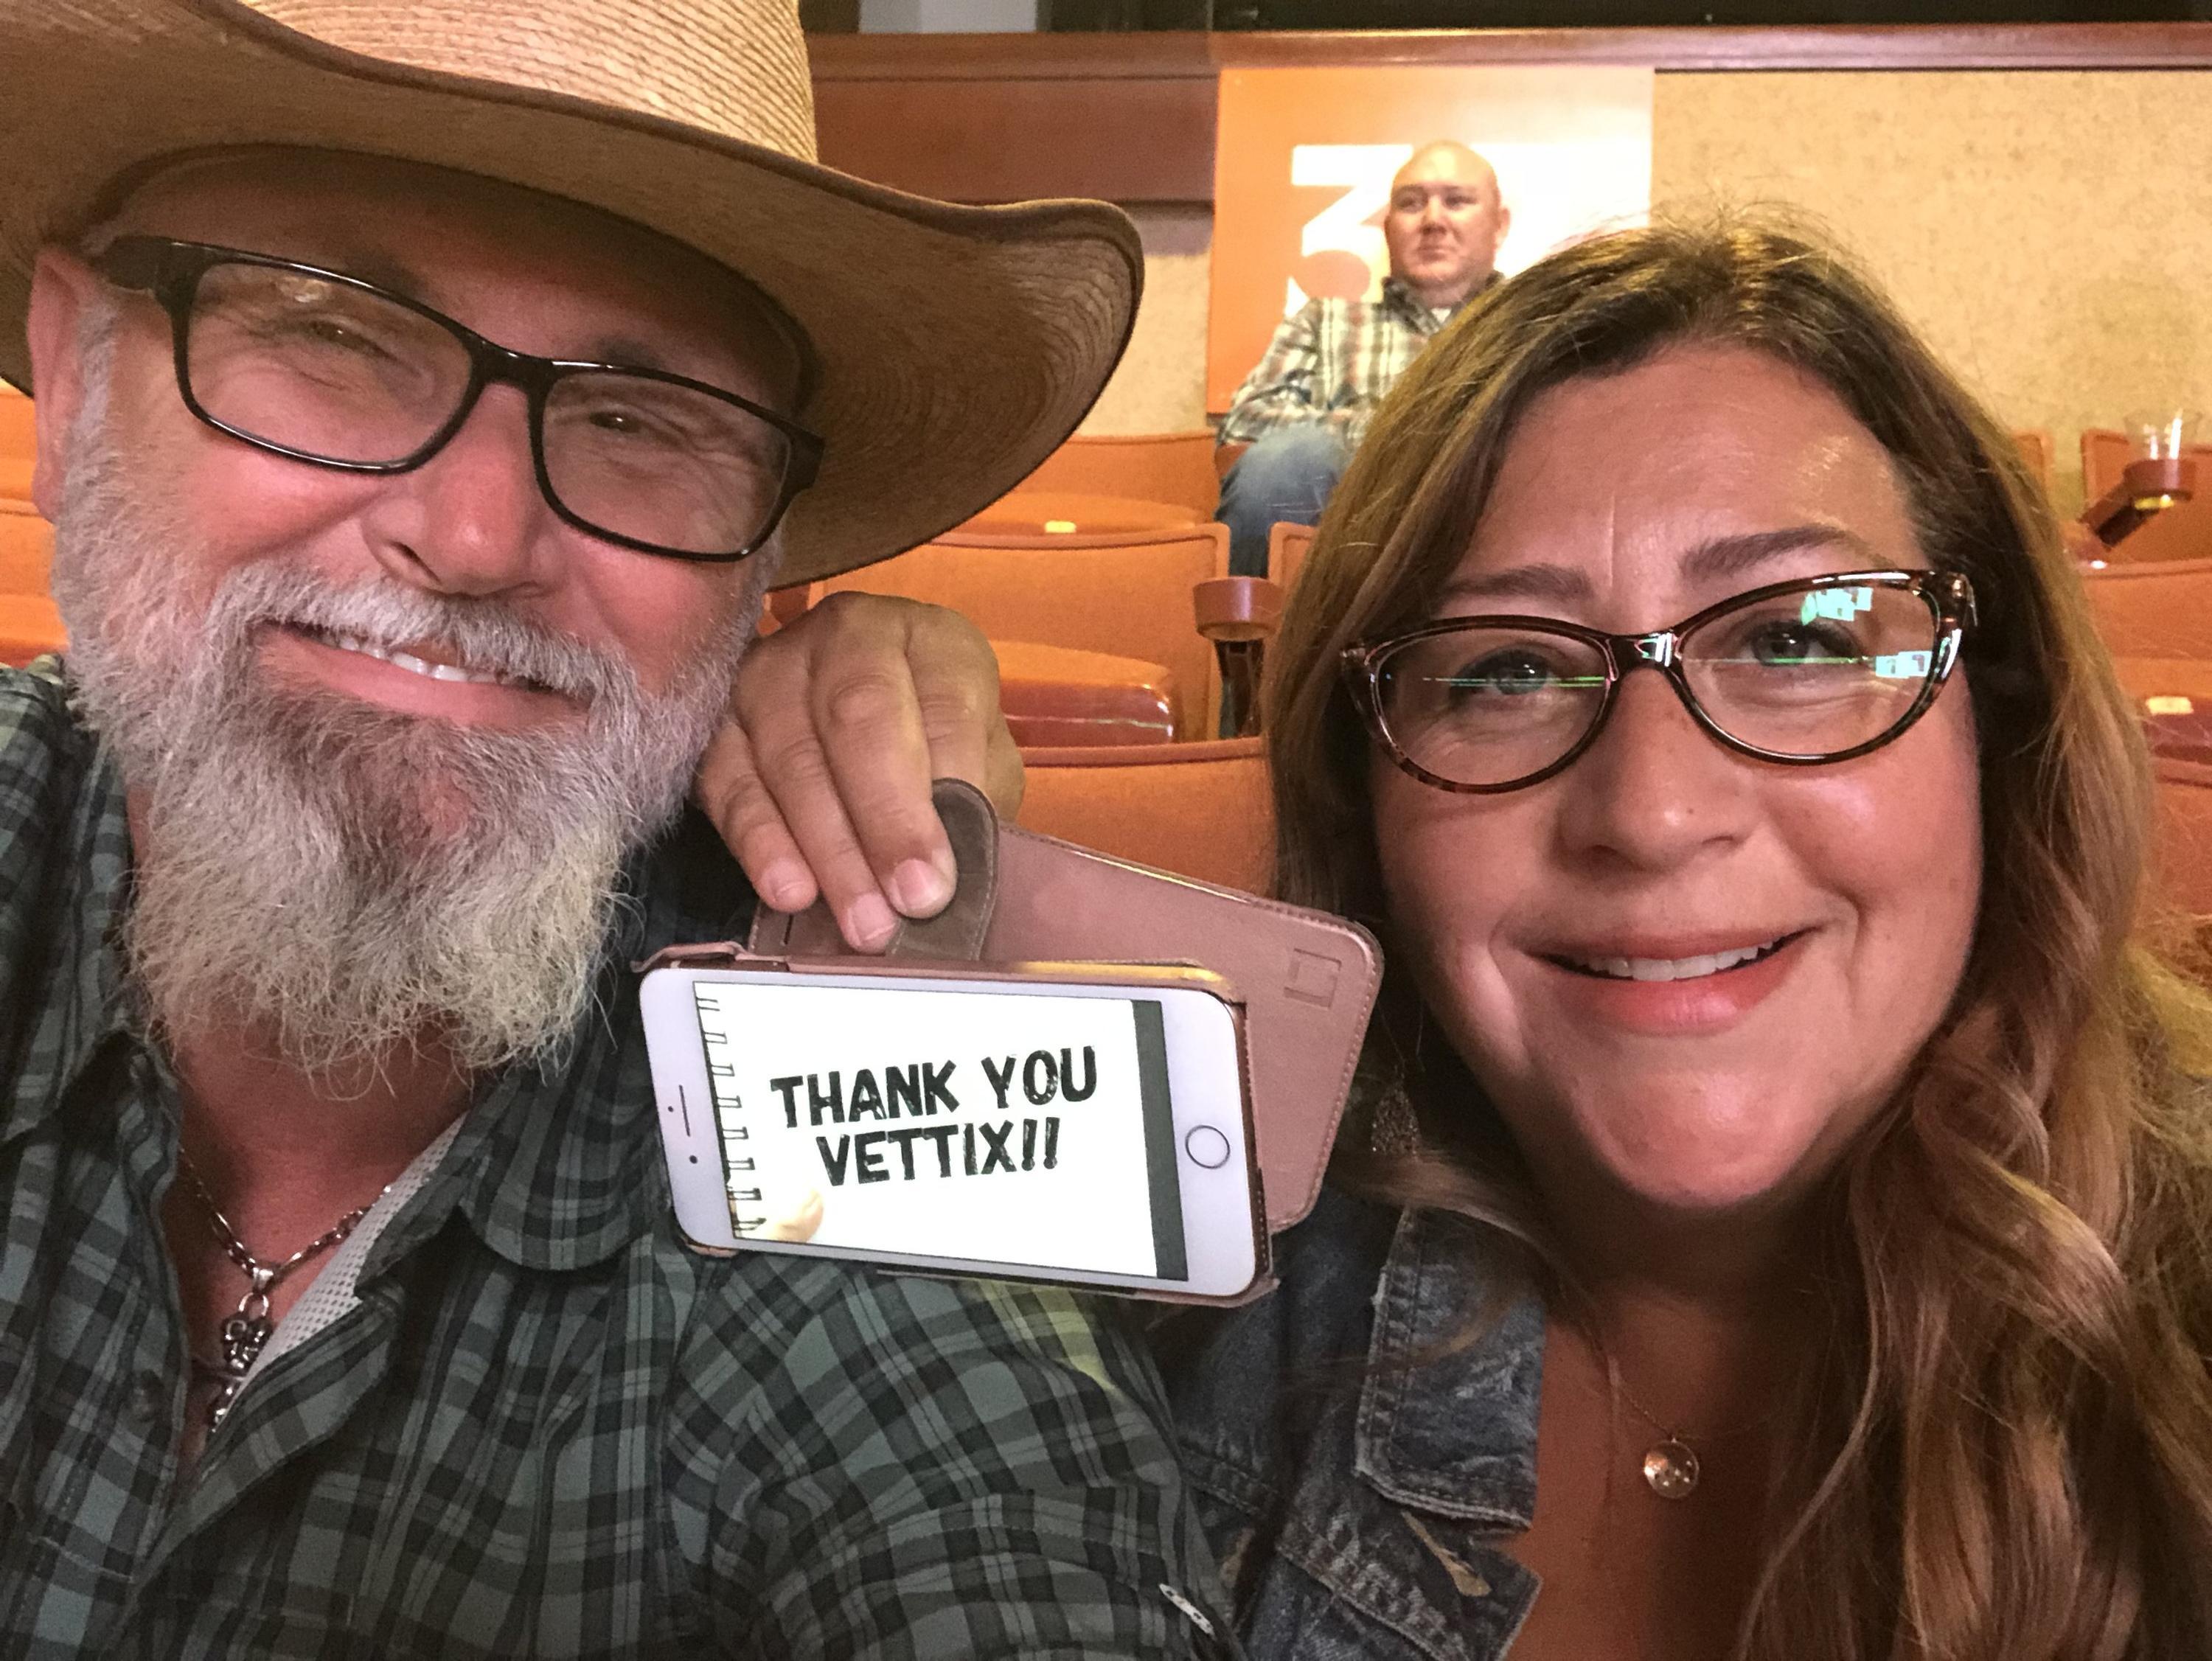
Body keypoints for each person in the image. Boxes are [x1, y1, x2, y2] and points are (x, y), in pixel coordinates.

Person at [0, 2, 1237, 1655]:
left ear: (761, 566)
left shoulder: (826, 1083)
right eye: (336, 333)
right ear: (75, 376)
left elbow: (989, 1485)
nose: (475, 536)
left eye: (644, 419)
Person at [1165, 218, 2212, 1659]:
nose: (1652, 813)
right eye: (1510, 669)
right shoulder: (1201, 1310)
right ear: (1367, 801)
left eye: (1797, 640)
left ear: (2003, 721)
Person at [1214, 141, 1508, 577]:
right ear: (1388, 229)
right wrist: (1390, 430)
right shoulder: (1323, 321)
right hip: (1348, 545)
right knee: (1289, 458)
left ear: (1499, 225)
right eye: (1411, 203)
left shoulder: (1538, 325)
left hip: (1498, 523)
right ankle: (1263, 625)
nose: (1433, 220)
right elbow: (1246, 424)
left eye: (1457, 201)